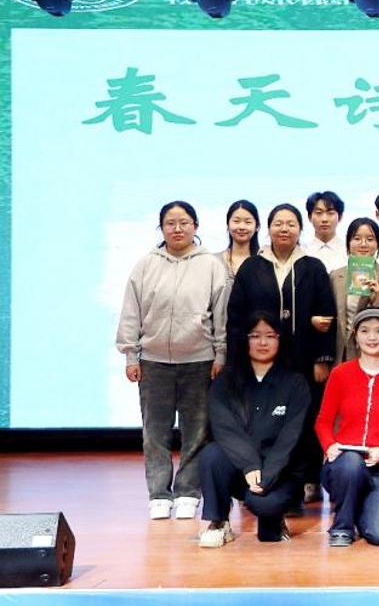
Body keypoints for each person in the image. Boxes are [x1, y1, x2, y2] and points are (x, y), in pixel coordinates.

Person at [117, 200, 228, 520]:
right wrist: (131, 354)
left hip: (199, 360)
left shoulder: (211, 265)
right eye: (170, 223)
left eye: (184, 222)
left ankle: (188, 492)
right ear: (161, 228)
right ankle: (159, 493)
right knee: (155, 432)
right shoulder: (145, 265)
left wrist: (220, 353)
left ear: (195, 226)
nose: (177, 229)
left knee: (197, 431)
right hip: (153, 362)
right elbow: (131, 312)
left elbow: (220, 314)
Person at [226, 203, 336, 503]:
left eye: (291, 224)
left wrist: (323, 358)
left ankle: (308, 478)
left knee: (304, 419)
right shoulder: (252, 267)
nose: (284, 229)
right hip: (260, 361)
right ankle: (262, 479)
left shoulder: (313, 267)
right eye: (278, 223)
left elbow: (328, 315)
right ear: (268, 228)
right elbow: (235, 318)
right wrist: (237, 360)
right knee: (265, 420)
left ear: (300, 229)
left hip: (303, 360)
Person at [197, 311, 310, 547]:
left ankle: (274, 518)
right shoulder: (226, 381)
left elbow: (291, 438)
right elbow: (225, 428)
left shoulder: (295, 383)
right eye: (255, 336)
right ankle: (218, 522)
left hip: (279, 472)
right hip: (243, 468)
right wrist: (249, 464)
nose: (262, 342)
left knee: (267, 520)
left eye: (270, 335)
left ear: (280, 340)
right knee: (211, 455)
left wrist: (267, 477)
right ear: (244, 339)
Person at [315, 308, 379, 546]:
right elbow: (323, 421)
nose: (372, 337)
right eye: (365, 331)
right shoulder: (340, 373)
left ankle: (357, 509)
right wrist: (330, 446)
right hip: (345, 462)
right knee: (351, 464)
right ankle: (342, 526)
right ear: (355, 336)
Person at [330, 218, 379, 362]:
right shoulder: (336, 276)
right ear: (348, 243)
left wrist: (377, 300)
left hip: (374, 355)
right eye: (356, 239)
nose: (363, 244)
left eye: (370, 239)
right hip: (340, 355)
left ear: (378, 244)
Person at [216, 200, 259, 284]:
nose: (241, 227)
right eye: (236, 221)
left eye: (248, 222)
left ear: (257, 226)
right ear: (228, 224)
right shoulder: (214, 261)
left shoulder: (266, 263)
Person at [305, 190, 347, 273]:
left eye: (330, 213)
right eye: (319, 213)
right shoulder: (301, 252)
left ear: (340, 217)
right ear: (309, 217)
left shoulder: (349, 252)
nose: (324, 219)